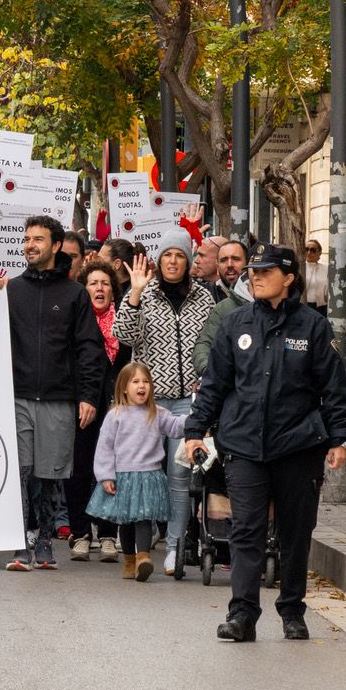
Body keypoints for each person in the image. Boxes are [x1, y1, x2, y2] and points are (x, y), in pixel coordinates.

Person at [186, 244, 346, 642]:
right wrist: (195, 430)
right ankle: (242, 615)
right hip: (244, 445)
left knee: (295, 532)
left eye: (265, 272)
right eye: (253, 272)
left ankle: (292, 611)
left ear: (289, 278)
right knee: (247, 531)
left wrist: (341, 438)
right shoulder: (235, 323)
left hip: (298, 446)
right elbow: (215, 384)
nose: (255, 277)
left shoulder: (313, 326)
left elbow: (334, 389)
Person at [0, 215, 106, 571]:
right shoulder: (10, 291)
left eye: (38, 239)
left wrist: (88, 396)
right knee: (21, 472)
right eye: (27, 239)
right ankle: (20, 542)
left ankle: (44, 542)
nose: (30, 245)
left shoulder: (75, 294)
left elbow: (89, 348)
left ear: (56, 245)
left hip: (59, 398)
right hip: (19, 396)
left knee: (51, 474)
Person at [112, 229, 216, 575]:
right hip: (147, 403)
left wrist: (205, 381)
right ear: (158, 260)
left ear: (188, 261)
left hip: (187, 402)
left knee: (179, 477)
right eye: (167, 255)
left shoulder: (204, 298)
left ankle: (173, 548)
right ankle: (140, 543)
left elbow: (212, 345)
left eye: (180, 255)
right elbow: (123, 334)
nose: (173, 261)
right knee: (141, 472)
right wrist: (134, 294)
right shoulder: (144, 293)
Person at [87, 362, 187, 582]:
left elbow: (175, 426)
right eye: (135, 382)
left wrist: (194, 420)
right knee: (126, 521)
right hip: (123, 476)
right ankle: (130, 562)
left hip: (149, 476)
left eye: (146, 382)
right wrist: (106, 475)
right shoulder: (115, 415)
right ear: (124, 388)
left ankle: (143, 558)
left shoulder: (157, 413)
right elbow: (105, 447)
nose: (142, 386)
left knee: (144, 518)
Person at [66, 260, 128, 563]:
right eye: (93, 283)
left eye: (105, 283)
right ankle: (80, 533)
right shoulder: (75, 320)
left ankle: (107, 535)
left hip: (115, 406)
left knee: (110, 469)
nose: (99, 288)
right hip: (81, 403)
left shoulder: (123, 321)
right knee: (79, 469)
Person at [192, 240, 253, 377]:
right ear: (217, 265)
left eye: (236, 259)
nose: (230, 264)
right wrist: (212, 373)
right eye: (224, 260)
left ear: (248, 262)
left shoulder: (266, 297)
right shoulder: (220, 306)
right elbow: (204, 346)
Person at [303, 238, 328, 315]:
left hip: (321, 307)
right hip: (304, 306)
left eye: (313, 250)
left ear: (319, 252)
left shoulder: (326, 269)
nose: (309, 252)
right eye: (306, 249)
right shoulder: (300, 268)